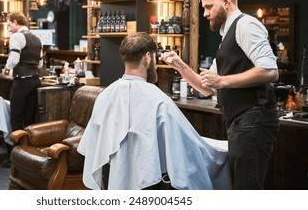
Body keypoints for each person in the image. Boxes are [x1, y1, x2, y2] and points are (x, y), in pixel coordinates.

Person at [161, 0, 279, 189]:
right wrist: (180, 65)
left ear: (226, 1)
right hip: (239, 121)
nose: (205, 13)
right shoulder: (227, 35)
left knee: (247, 189)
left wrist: (223, 81)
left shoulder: (246, 25)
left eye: (208, 7)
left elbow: (270, 71)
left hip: (253, 117)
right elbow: (206, 88)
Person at [78, 32, 232, 190]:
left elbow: (92, 145)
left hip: (112, 180)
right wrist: (221, 152)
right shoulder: (159, 101)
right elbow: (186, 148)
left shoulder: (105, 96)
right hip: (148, 185)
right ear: (147, 57)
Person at [2, 12, 43, 132]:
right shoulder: (37, 39)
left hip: (22, 82)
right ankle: (28, 149)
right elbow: (40, 64)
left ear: (15, 22)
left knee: (16, 119)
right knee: (30, 120)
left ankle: (16, 149)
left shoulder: (16, 37)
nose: (9, 29)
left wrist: (6, 69)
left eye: (9, 25)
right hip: (35, 81)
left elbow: (14, 59)